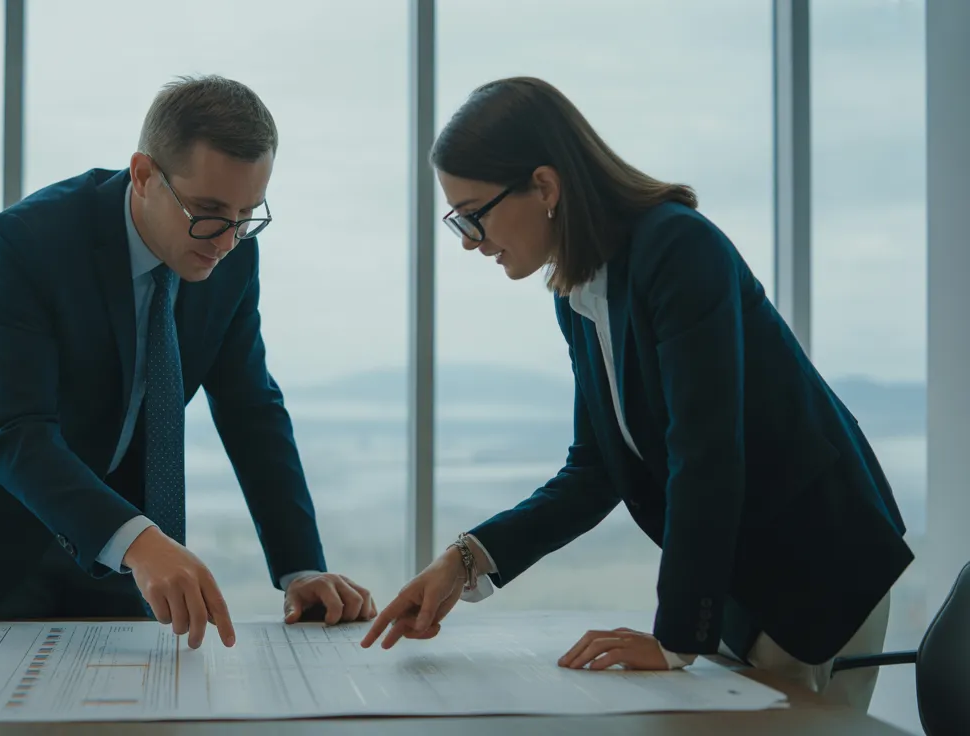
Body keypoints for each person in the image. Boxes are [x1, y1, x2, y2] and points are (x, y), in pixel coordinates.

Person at [361, 77, 913, 711]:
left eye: (473, 213)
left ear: (544, 185)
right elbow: (594, 471)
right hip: (744, 577)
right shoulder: (580, 295)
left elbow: (704, 453)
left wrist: (676, 639)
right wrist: (462, 562)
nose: (466, 239)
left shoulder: (677, 247)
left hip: (817, 561)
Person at [0, 75, 376, 648]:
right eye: (208, 210)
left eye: (248, 214)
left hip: (115, 556)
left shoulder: (234, 257)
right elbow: (14, 432)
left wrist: (301, 567)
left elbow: (251, 408)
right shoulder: (26, 241)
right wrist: (143, 542)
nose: (225, 239)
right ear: (144, 175)